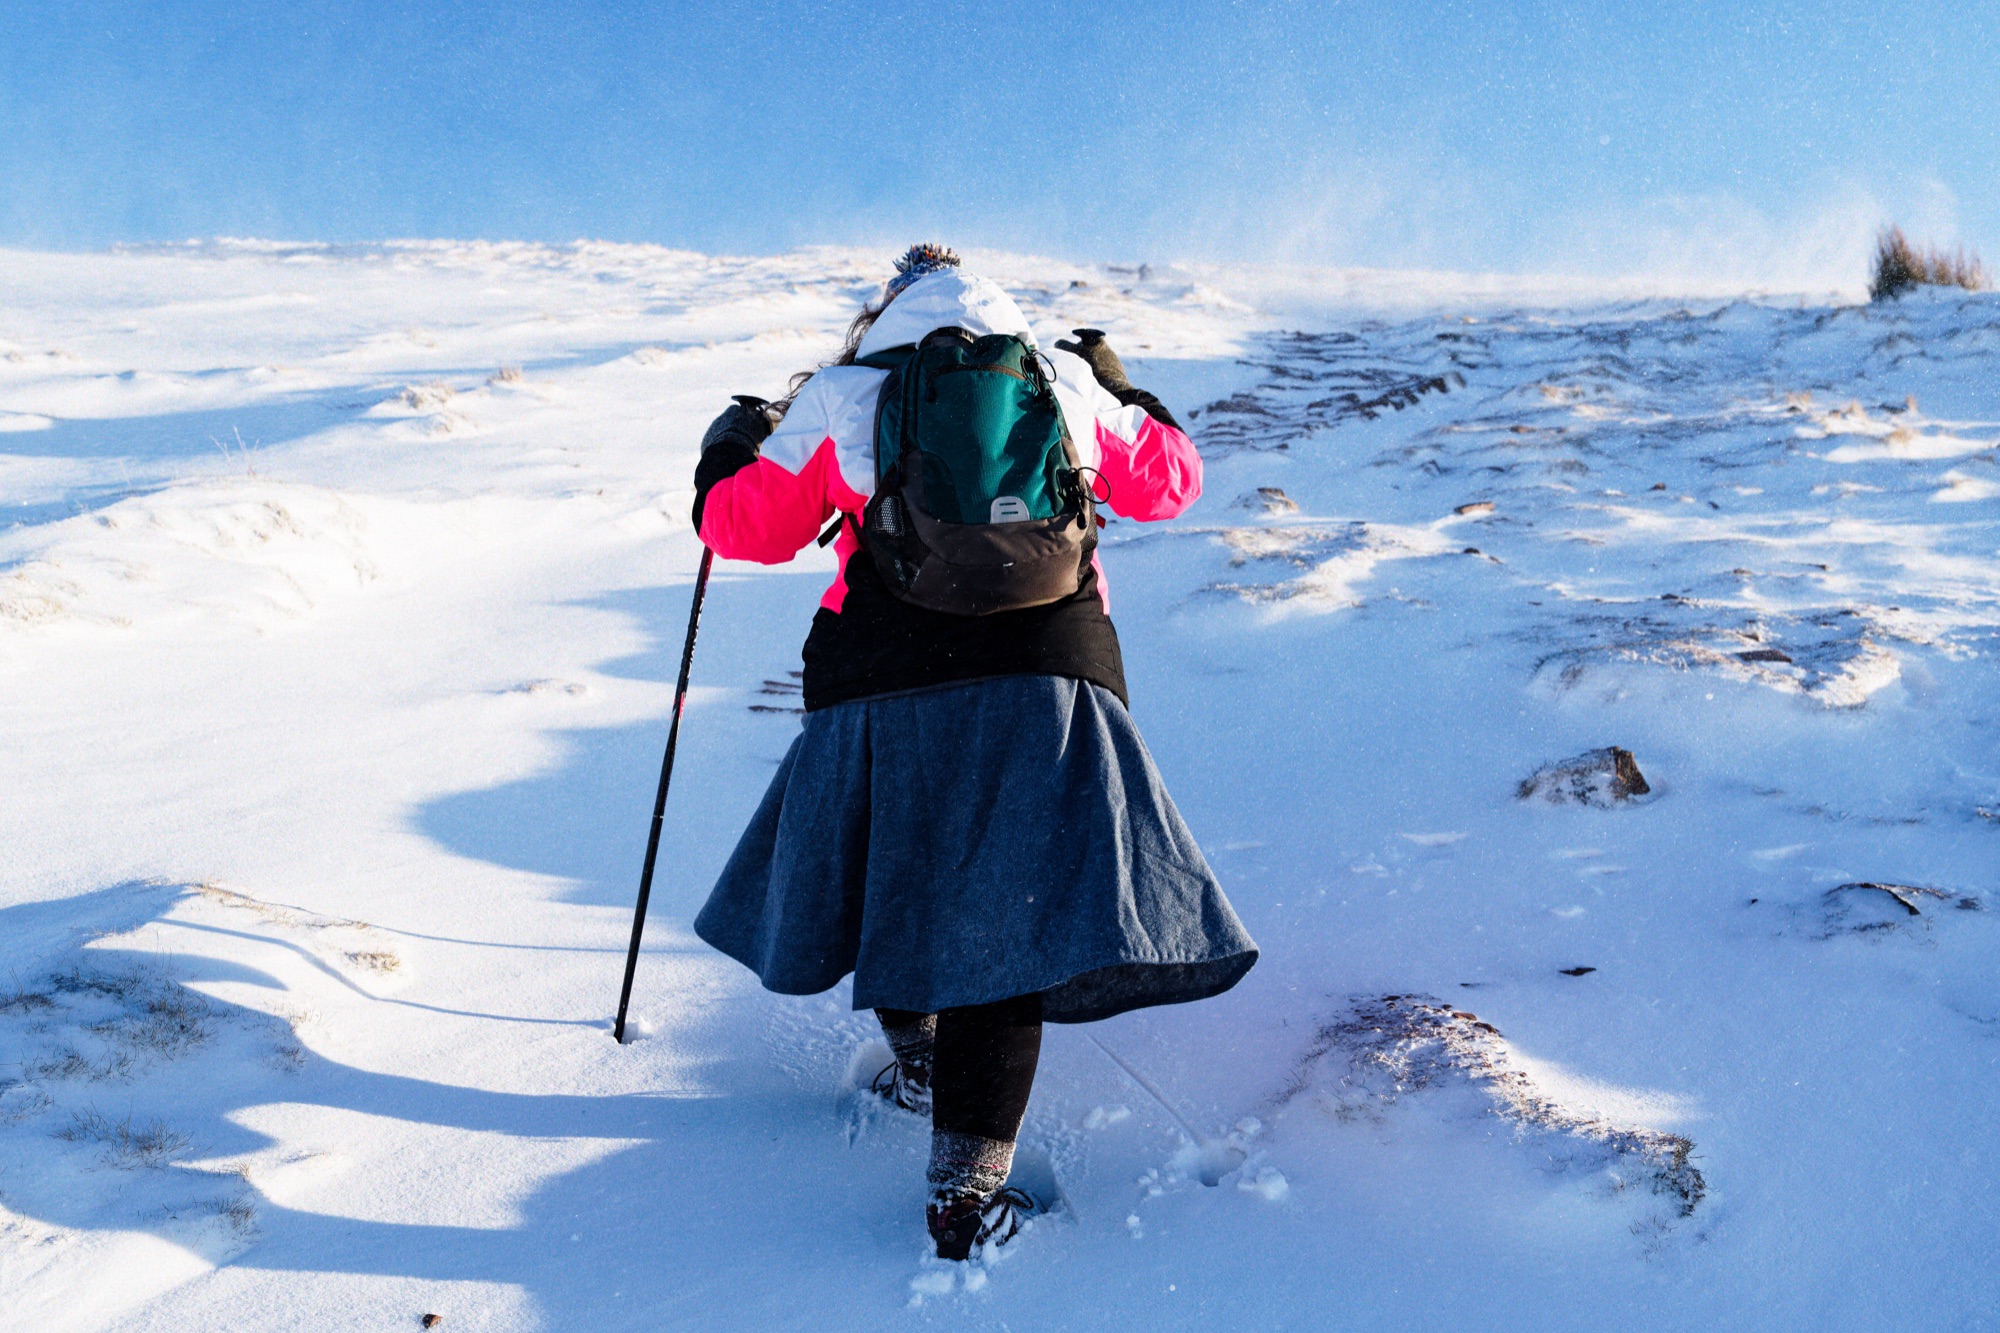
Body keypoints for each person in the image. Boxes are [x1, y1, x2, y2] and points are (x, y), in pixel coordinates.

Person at [689, 244, 1257, 1261]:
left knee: (893, 874)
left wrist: (725, 450)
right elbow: (1168, 484)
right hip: (1046, 672)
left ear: (887, 308)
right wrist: (1128, 389)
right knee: (1010, 920)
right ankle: (966, 1195)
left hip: (877, 678)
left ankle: (917, 1062)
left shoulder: (841, 392)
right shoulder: (1060, 380)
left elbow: (744, 530)